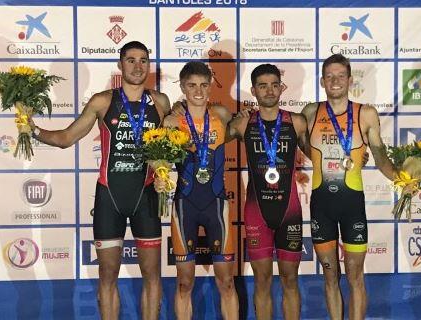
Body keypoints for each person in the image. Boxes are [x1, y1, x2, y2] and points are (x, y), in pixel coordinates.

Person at [29, 41, 170, 320]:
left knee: (152, 275)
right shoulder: (102, 101)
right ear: (120, 64)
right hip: (110, 196)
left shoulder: (161, 102)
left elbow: (173, 145)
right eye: (131, 60)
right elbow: (66, 138)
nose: (138, 66)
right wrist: (32, 130)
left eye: (143, 60)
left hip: (147, 196)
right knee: (107, 275)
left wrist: (166, 171)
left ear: (149, 66)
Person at [301, 53, 398, 320]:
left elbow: (380, 159)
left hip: (352, 207)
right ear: (322, 81)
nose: (335, 81)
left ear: (350, 80)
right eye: (329, 76)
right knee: (330, 276)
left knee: (355, 275)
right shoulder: (310, 112)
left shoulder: (365, 113)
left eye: (340, 76)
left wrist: (404, 180)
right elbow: (298, 142)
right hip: (322, 208)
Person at [228, 64, 309, 320]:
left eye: (274, 84)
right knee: (262, 280)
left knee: (290, 279)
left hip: (290, 212)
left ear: (282, 87)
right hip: (256, 213)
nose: (269, 90)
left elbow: (317, 154)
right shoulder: (242, 123)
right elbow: (208, 134)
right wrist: (179, 109)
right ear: (253, 90)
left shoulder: (296, 122)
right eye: (262, 85)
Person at [159, 61, 239, 319]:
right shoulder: (172, 121)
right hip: (185, 205)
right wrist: (159, 173)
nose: (198, 91)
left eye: (204, 85)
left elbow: (245, 128)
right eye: (191, 85)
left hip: (217, 205)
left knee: (226, 282)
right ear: (182, 86)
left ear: (210, 86)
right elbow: (158, 158)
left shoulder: (222, 114)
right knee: (184, 282)